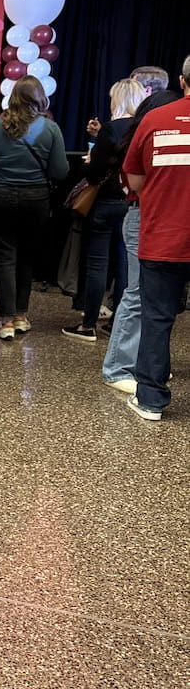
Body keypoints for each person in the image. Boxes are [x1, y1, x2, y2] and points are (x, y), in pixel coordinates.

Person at [102, 68, 183, 393]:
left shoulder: (148, 130)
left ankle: (149, 366)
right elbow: (135, 183)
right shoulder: (142, 136)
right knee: (137, 294)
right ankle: (118, 368)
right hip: (142, 217)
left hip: (156, 218)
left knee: (158, 300)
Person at [122, 54, 190, 420]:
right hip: (166, 237)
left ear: (181, 81)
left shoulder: (153, 119)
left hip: (162, 236)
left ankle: (150, 399)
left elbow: (134, 180)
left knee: (156, 319)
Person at [0, 75, 68, 339]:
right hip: (36, 198)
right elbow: (60, 172)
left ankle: (5, 321)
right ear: (41, 99)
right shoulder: (51, 129)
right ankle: (20, 316)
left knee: (3, 256)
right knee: (27, 257)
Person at [62, 77, 144, 343]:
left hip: (105, 202)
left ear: (118, 99)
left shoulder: (111, 128)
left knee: (97, 264)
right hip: (129, 203)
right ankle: (116, 323)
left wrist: (89, 161)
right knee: (123, 264)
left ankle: (88, 325)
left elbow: (95, 173)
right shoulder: (142, 126)